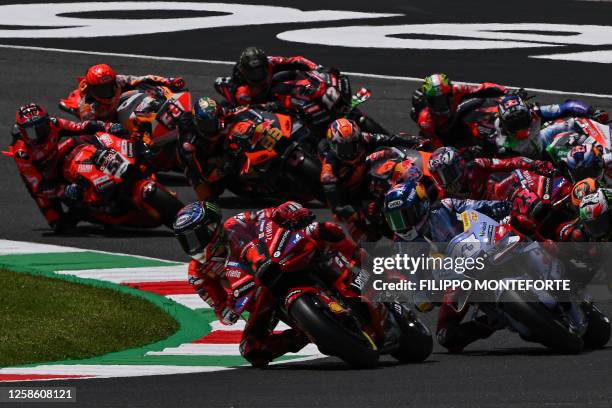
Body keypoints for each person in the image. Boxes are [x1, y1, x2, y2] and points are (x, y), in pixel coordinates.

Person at [173, 200, 359, 367]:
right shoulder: (197, 273)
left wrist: (289, 210)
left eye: (196, 237)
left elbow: (271, 214)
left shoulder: (238, 222)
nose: (193, 245)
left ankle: (360, 265)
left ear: (212, 227)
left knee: (322, 229)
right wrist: (230, 308)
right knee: (252, 349)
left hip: (278, 259)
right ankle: (306, 332)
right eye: (186, 241)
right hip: (257, 295)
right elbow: (221, 309)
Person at [6, 103, 123, 232]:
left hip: (58, 158)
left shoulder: (54, 124)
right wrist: (64, 190)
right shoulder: (22, 153)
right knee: (60, 225)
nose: (39, 134)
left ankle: (114, 164)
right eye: (32, 131)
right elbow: (38, 187)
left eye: (41, 128)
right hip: (44, 179)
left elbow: (82, 126)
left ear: (47, 121)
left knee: (85, 138)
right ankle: (89, 212)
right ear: (22, 132)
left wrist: (108, 126)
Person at [319, 118, 424, 239]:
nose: (351, 152)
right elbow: (338, 207)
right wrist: (362, 212)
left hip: (371, 179)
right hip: (352, 202)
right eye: (345, 148)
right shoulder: (329, 172)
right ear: (334, 147)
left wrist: (416, 141)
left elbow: (390, 139)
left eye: (354, 145)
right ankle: (404, 240)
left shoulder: (363, 138)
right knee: (369, 236)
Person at [495, 94, 608, 158]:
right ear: (503, 124)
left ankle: (605, 141)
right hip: (527, 167)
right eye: (514, 123)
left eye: (522, 119)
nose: (520, 126)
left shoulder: (535, 113)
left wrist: (591, 112)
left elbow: (569, 106)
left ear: (528, 112)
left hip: (543, 142)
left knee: (575, 122)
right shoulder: (499, 139)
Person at [413, 73, 508, 147]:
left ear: (450, 95)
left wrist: (506, 92)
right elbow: (437, 146)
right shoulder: (425, 120)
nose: (440, 105)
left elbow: (481, 88)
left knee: (479, 102)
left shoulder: (457, 90)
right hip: (444, 136)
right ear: (428, 101)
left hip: (456, 121)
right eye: (436, 101)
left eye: (443, 99)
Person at [427, 146, 554, 200]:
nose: (447, 180)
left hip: (503, 202)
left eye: (449, 173)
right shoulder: (443, 196)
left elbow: (508, 163)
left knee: (520, 176)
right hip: (482, 227)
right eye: (441, 177)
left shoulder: (477, 165)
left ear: (460, 165)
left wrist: (533, 164)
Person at [76, 63, 185, 121]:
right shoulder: (87, 108)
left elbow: (143, 78)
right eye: (101, 89)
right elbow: (92, 131)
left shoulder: (118, 81)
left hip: (117, 108)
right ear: (92, 90)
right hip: (108, 125)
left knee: (139, 91)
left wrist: (168, 81)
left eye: (109, 87)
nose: (107, 92)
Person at [216, 46, 318, 106]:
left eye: (260, 71)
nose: (257, 76)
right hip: (254, 100)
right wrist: (271, 105)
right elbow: (252, 111)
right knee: (279, 91)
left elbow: (297, 60)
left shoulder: (270, 62)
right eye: (253, 73)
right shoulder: (241, 91)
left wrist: (317, 69)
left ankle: (309, 91)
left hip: (267, 86)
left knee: (293, 74)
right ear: (245, 72)